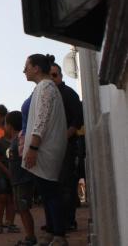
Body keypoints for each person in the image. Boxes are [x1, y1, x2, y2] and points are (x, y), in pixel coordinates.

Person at [23, 54, 68, 246]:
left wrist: (33, 147)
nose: (24, 70)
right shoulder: (45, 87)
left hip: (43, 149)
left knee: (50, 192)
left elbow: (40, 120)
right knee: (46, 192)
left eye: (27, 66)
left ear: (36, 68)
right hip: (43, 148)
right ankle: (51, 231)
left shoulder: (45, 87)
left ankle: (58, 234)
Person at [50, 62, 84, 231]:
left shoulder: (68, 93)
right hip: (50, 150)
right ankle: (57, 223)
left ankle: (69, 221)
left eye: (55, 75)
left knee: (67, 186)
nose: (52, 78)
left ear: (61, 76)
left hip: (67, 148)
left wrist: (62, 138)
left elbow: (77, 120)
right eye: (49, 76)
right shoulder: (47, 95)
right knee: (54, 186)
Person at [5, 111, 37, 246]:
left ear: (10, 125)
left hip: (23, 179)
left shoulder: (20, 138)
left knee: (24, 208)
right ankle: (29, 236)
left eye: (6, 124)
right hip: (18, 179)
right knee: (21, 208)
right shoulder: (16, 139)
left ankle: (30, 237)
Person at [0, 105, 18, 234]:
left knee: (11, 198)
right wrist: (7, 171)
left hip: (13, 173)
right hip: (1, 173)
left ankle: (10, 223)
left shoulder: (16, 140)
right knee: (0, 198)